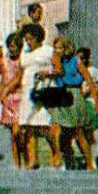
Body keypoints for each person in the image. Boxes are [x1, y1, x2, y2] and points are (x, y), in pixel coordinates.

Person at [14, 22, 61, 169]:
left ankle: (56, 151)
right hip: (27, 91)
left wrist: (47, 72)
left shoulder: (48, 51)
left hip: (42, 89)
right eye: (26, 39)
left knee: (43, 126)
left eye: (30, 38)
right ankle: (33, 159)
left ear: (38, 38)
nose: (28, 41)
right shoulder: (25, 53)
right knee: (28, 126)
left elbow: (59, 69)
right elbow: (20, 73)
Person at [49, 36, 97, 170]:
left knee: (77, 132)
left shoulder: (76, 62)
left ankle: (89, 164)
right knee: (56, 128)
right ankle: (62, 159)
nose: (57, 50)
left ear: (66, 48)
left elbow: (89, 81)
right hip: (61, 94)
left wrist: (97, 104)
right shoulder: (55, 61)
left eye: (59, 47)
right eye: (55, 48)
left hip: (73, 95)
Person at [0, 31, 26, 168]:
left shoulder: (23, 61)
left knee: (18, 132)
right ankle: (17, 164)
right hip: (8, 99)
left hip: (19, 97)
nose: (12, 49)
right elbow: (3, 83)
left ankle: (25, 157)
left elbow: (18, 80)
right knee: (12, 134)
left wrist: (6, 90)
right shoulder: (4, 61)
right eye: (10, 46)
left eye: (15, 46)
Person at [75, 47, 98, 155]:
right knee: (78, 133)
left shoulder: (94, 71)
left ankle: (94, 155)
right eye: (78, 58)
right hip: (79, 103)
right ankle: (86, 155)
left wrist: (90, 90)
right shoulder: (75, 72)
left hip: (90, 103)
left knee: (88, 131)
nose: (81, 61)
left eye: (83, 58)